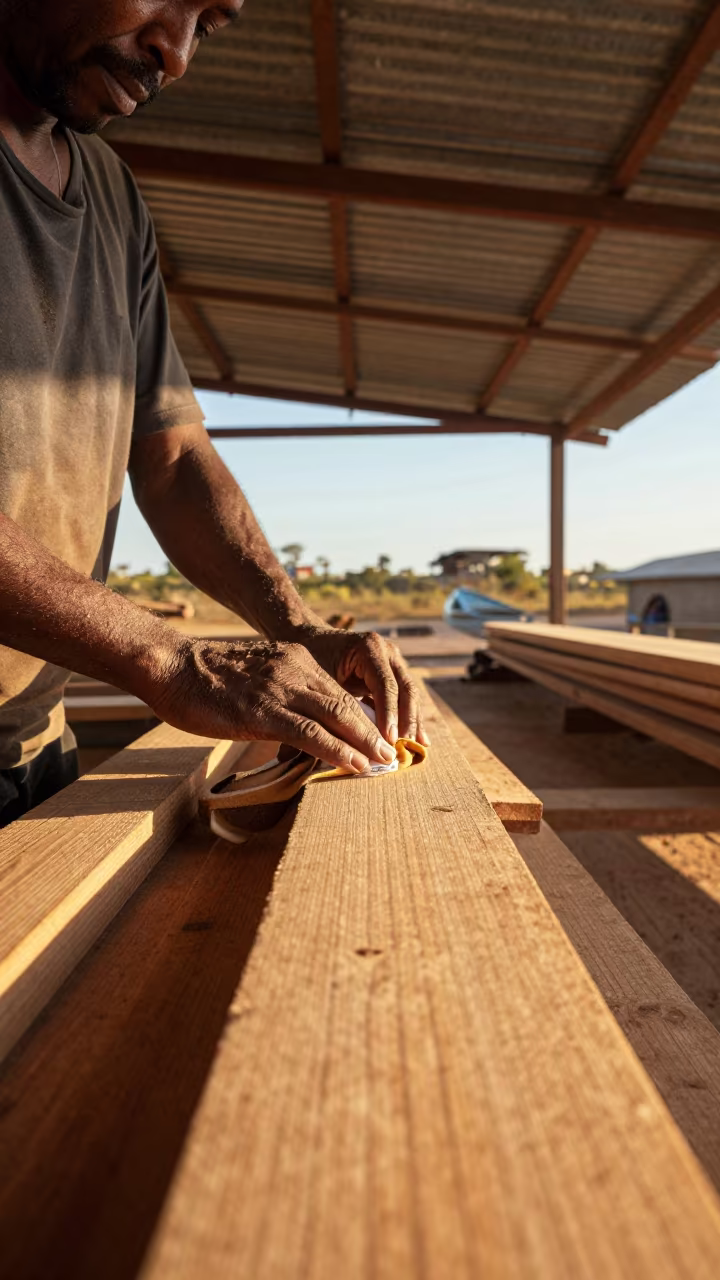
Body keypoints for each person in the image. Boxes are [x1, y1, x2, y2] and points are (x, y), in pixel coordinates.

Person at [0, 0, 427, 825]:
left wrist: (299, 630)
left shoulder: (110, 195)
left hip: (32, 737)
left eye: (211, 22)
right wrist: (167, 656)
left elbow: (172, 456)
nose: (178, 52)